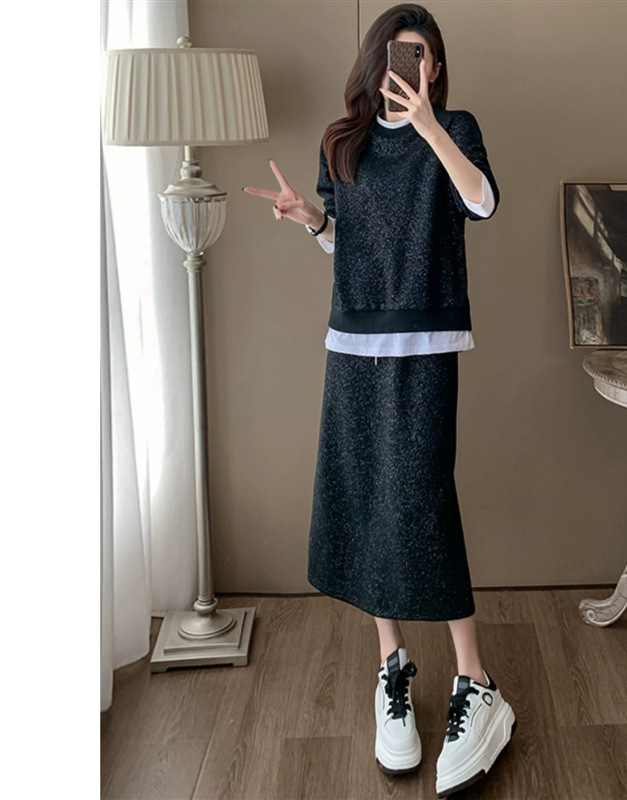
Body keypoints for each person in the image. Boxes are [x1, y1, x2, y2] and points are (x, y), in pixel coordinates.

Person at [244, 4, 515, 796]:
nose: (412, 63)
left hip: (425, 343)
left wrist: (427, 125)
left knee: (422, 501)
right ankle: (391, 666)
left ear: (436, 67)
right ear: (376, 58)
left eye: (423, 54)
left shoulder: (455, 128)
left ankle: (477, 682)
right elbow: (348, 240)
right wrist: (312, 220)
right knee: (365, 497)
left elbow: (482, 202)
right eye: (400, 51)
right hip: (353, 345)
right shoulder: (342, 141)